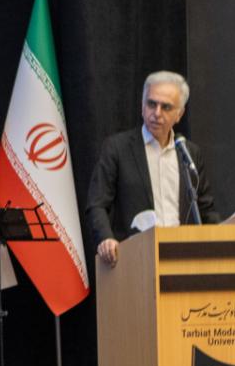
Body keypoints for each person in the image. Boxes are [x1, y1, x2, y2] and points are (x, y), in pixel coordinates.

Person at [84, 71, 217, 267]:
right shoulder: (118, 148)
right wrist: (106, 239)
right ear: (142, 106)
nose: (157, 113)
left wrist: (227, 236)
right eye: (151, 104)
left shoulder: (189, 153)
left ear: (179, 114)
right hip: (136, 261)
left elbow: (205, 209)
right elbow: (97, 204)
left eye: (166, 107)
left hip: (183, 260)